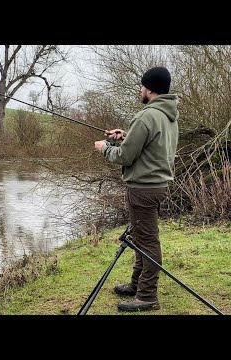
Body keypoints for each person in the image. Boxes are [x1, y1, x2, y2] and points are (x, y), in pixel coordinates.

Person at [93, 66, 179, 312]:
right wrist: (125, 135)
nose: (140, 89)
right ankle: (136, 285)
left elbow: (125, 157)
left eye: (142, 86)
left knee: (148, 242)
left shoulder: (147, 115)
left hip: (143, 188)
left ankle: (147, 296)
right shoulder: (168, 114)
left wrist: (104, 147)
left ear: (149, 88)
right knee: (141, 238)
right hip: (157, 186)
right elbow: (150, 145)